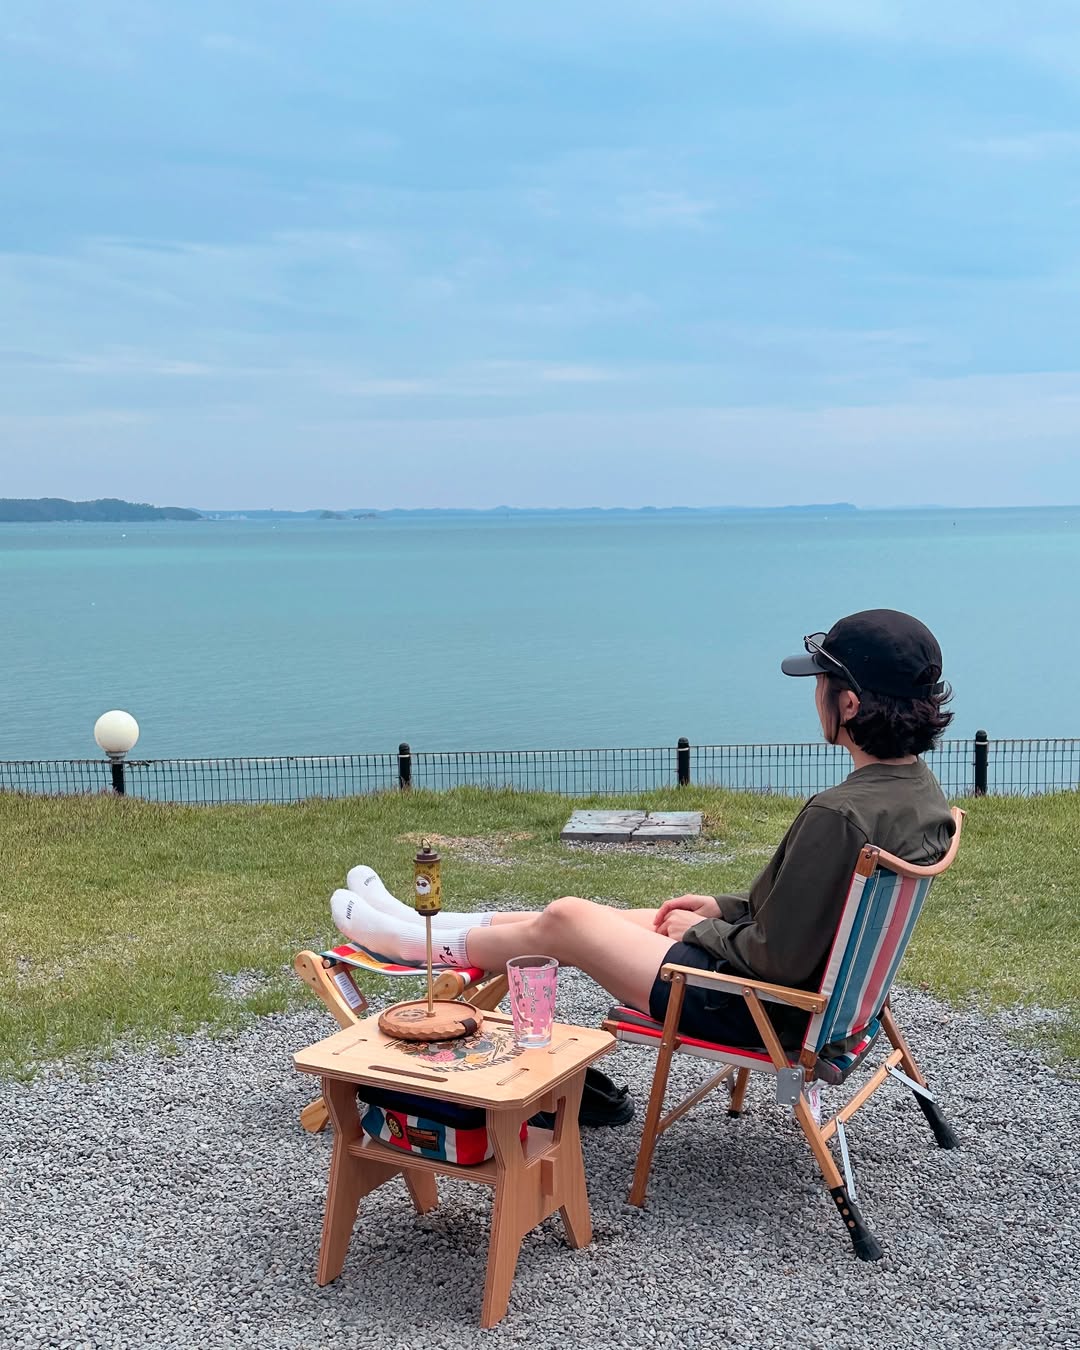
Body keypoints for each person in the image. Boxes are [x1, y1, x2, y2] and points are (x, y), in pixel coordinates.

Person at [332, 609, 957, 1049]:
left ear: (849, 703)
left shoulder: (839, 815)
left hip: (755, 1007)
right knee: (581, 917)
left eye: (821, 682)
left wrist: (703, 930)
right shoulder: (919, 795)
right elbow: (813, 915)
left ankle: (413, 945)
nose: (815, 693)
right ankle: (426, 926)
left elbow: (780, 958)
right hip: (812, 999)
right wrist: (723, 909)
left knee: (570, 918)